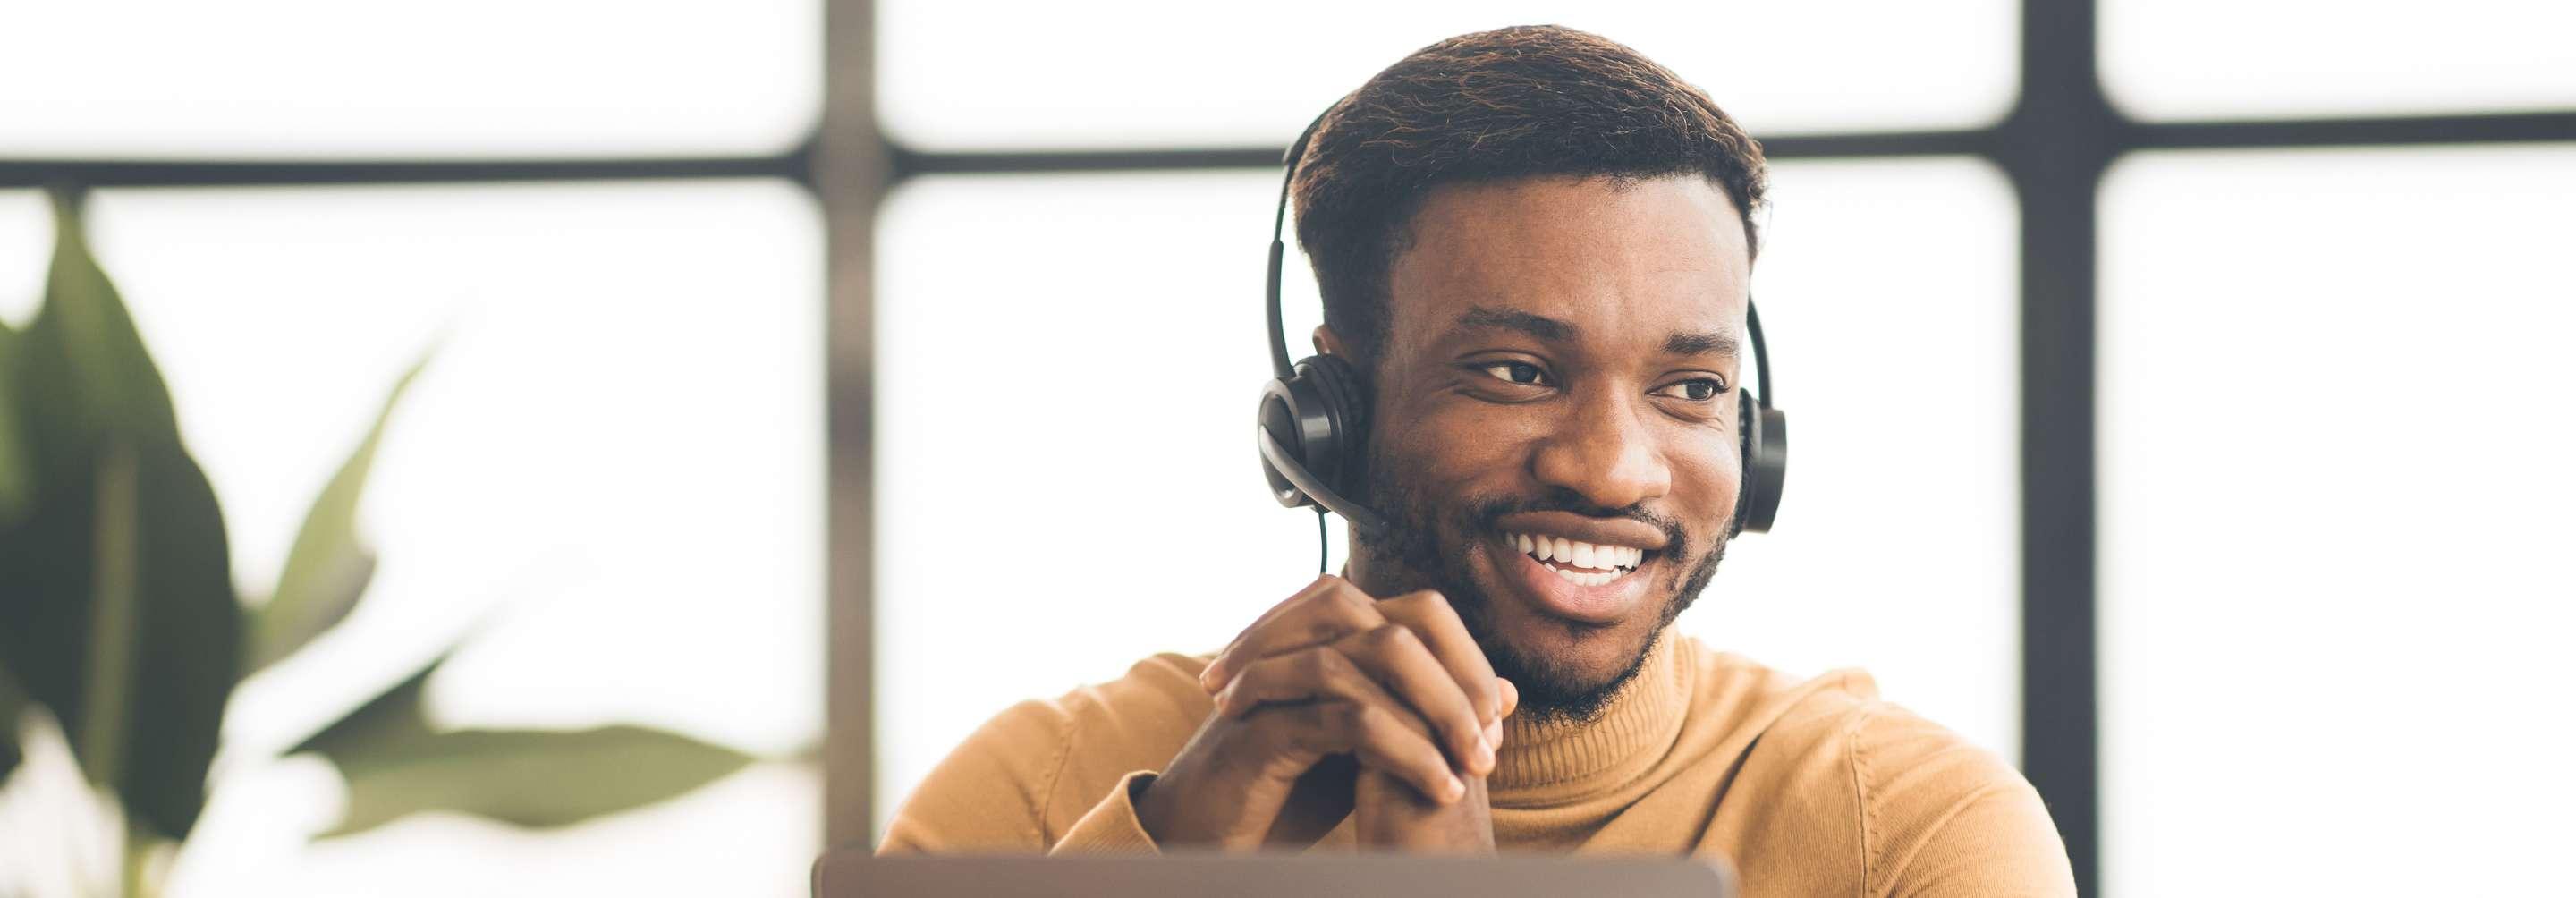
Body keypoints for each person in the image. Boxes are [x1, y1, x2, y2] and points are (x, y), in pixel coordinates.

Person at [879, 24, 2076, 894]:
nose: (1614, 471)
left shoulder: (1908, 832)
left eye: (1691, 389)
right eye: (1517, 372)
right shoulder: (1038, 797)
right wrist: (1175, 843)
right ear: (1329, 409)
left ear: (1750, 440)